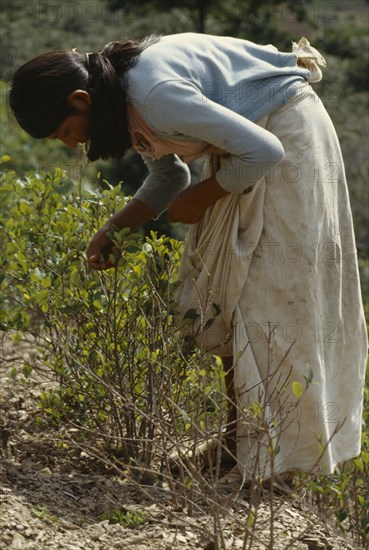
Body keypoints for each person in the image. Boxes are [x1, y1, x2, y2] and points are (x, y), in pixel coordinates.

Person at [9, 32, 367, 485]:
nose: (69, 144)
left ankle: (271, 467)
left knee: (264, 302)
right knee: (229, 300)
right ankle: (239, 441)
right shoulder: (123, 97)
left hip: (287, 138)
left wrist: (206, 194)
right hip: (247, 152)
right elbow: (170, 172)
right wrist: (116, 228)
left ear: (80, 100)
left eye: (64, 131)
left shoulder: (153, 94)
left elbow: (265, 150)